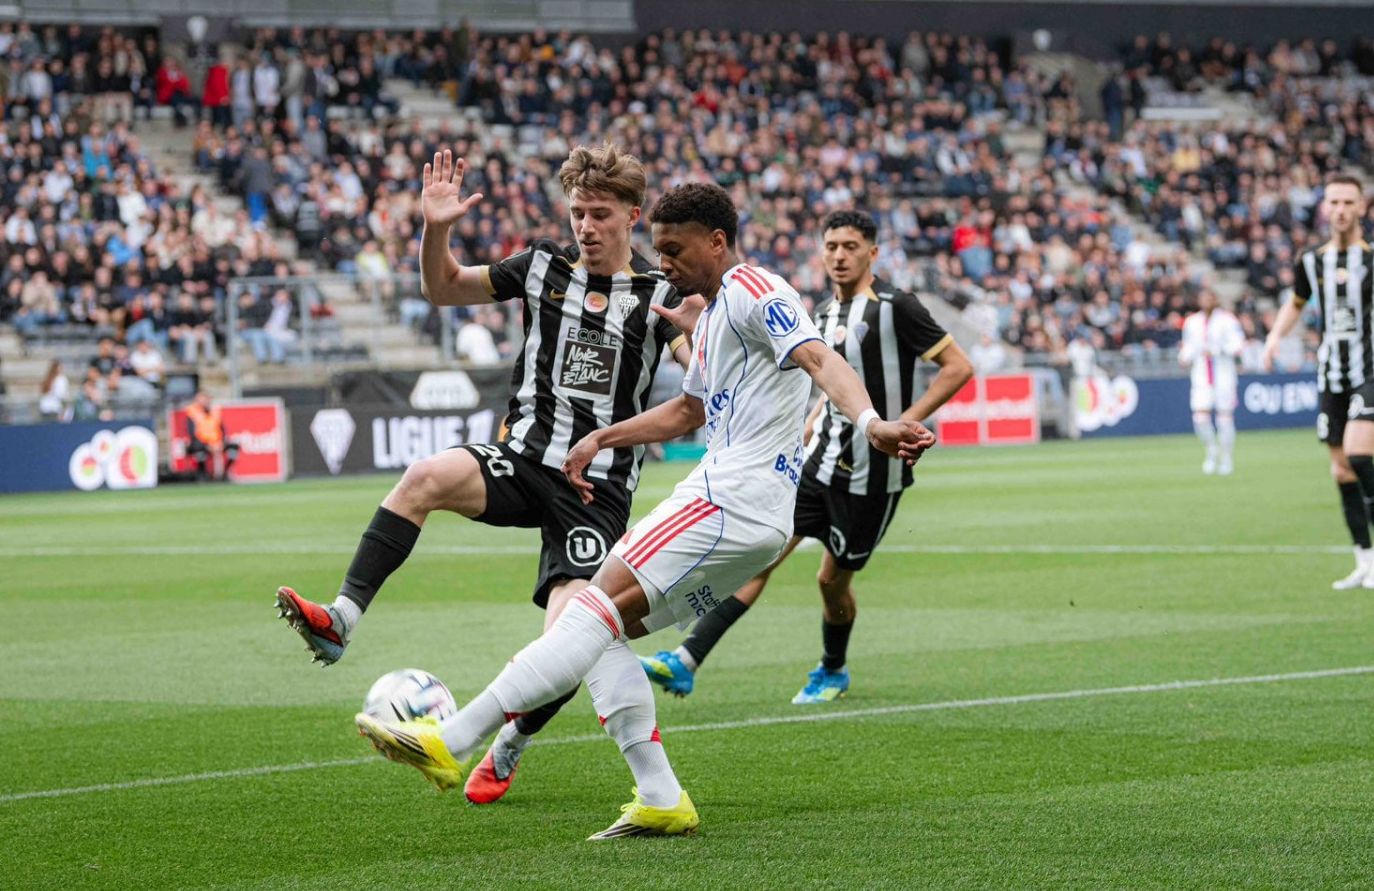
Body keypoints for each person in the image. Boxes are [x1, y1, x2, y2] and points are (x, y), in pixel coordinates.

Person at [344, 182, 934, 838]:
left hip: (728, 500)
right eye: (659, 251)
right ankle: (660, 796)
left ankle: (451, 741)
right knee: (603, 636)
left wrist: (873, 422)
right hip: (758, 520)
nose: (667, 265)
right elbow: (688, 410)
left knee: (587, 612)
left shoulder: (753, 288)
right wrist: (604, 436)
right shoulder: (713, 314)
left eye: (675, 250)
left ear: (716, 241)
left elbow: (819, 357)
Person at [274, 144, 692, 810]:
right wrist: (436, 226)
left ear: (632, 217)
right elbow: (441, 289)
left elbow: (696, 377)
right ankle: (341, 621)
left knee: (571, 634)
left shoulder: (660, 294)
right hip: (524, 459)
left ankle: (509, 744)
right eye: (579, 212)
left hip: (596, 489)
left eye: (601, 214)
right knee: (423, 477)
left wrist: (697, 339)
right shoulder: (542, 267)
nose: (586, 226)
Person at [639, 209, 973, 705]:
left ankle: (832, 668)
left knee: (830, 582)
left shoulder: (895, 307)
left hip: (872, 475)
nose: (839, 256)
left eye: (851, 247)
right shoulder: (818, 311)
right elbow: (818, 371)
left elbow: (957, 366)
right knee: (762, 555)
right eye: (831, 246)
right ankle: (685, 659)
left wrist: (899, 420)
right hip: (817, 462)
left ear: (872, 253)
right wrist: (815, 417)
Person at [1262, 176, 1374, 591]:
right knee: (1341, 471)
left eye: (1348, 202)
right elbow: (1296, 303)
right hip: (1332, 374)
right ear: (1324, 208)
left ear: (1361, 208)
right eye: (1334, 202)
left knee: (1359, 456)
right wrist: (1274, 337)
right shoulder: (1312, 260)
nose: (1341, 209)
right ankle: (1363, 557)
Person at [1179, 286, 1245, 475]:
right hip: (1201, 375)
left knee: (1224, 418)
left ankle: (1227, 457)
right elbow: (1188, 346)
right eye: (1203, 298)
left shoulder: (1227, 320)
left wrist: (1218, 350)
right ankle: (1211, 450)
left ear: (1215, 300)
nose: (1206, 301)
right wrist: (1184, 356)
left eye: (1210, 298)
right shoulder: (1192, 322)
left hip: (1223, 375)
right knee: (1200, 418)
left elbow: (1237, 344)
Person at [183, 389, 238, 478]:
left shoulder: (215, 411)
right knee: (198, 449)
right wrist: (207, 445)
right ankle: (204, 474)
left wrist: (221, 442)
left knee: (233, 447)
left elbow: (222, 430)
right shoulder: (193, 412)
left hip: (216, 442)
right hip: (202, 443)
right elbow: (192, 433)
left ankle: (223, 475)